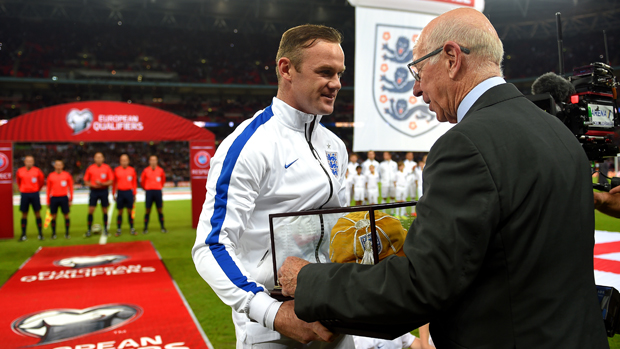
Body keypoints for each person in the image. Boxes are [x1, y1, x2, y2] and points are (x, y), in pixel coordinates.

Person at [278, 8, 609, 348]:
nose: (417, 90)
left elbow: (420, 287)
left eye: (419, 71)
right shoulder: (557, 129)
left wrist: (309, 280)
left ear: (451, 58)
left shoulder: (467, 144)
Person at [192, 24, 352, 348]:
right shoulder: (250, 146)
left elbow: (340, 231)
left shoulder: (335, 146)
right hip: (272, 330)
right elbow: (210, 247)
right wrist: (274, 313)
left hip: (334, 317)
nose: (335, 84)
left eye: (339, 73)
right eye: (324, 72)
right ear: (286, 69)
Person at [84, 152, 114, 237]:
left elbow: (111, 181)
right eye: (97, 157)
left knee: (104, 210)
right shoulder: (90, 168)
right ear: (94, 159)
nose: (98, 159)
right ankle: (89, 230)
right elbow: (86, 181)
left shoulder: (107, 168)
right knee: (91, 210)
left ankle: (106, 230)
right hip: (94, 191)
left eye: (100, 157)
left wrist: (102, 184)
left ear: (103, 159)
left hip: (103, 190)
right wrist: (92, 185)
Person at [15, 155, 45, 241]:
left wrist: (36, 189)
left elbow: (41, 182)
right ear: (25, 162)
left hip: (35, 194)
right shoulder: (19, 171)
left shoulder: (37, 171)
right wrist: (23, 189)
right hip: (24, 194)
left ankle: (40, 234)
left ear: (33, 162)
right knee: (24, 214)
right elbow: (18, 182)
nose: (29, 162)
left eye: (31, 161)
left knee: (37, 213)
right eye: (27, 161)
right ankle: (23, 234)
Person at [46, 159, 73, 239]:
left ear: (62, 166)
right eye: (57, 165)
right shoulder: (51, 175)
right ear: (54, 166)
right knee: (53, 216)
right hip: (54, 198)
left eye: (60, 165)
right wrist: (48, 201)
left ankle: (67, 233)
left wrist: (71, 199)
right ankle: (53, 233)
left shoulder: (67, 175)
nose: (58, 166)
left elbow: (70, 187)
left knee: (66, 215)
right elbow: (48, 189)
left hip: (64, 197)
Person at [140, 155, 167, 234]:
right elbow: (142, 181)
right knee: (147, 210)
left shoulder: (160, 170)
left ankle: (162, 227)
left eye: (154, 160)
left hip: (158, 191)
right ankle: (145, 228)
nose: (153, 161)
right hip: (149, 192)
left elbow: (163, 180)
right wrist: (146, 187)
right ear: (149, 161)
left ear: (157, 161)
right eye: (151, 160)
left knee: (160, 210)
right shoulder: (145, 170)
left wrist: (158, 186)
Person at [113, 154, 138, 236]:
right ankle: (119, 229)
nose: (124, 162)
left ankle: (132, 228)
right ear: (120, 161)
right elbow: (114, 183)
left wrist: (134, 194)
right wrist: (113, 193)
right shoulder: (116, 170)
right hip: (120, 192)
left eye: (125, 160)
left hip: (129, 193)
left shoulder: (132, 170)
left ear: (128, 161)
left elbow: (134, 183)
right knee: (120, 212)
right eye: (122, 160)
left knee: (130, 212)